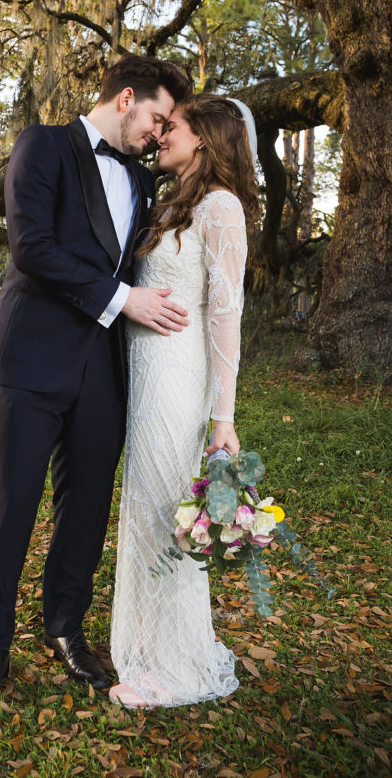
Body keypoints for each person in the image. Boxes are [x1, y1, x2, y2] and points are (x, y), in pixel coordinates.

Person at [0, 54, 193, 714]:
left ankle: (64, 626)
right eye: (155, 118)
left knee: (85, 511)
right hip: (29, 360)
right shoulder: (42, 145)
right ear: (125, 100)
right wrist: (121, 300)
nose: (156, 133)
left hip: (103, 371)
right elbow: (31, 247)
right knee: (9, 510)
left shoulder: (144, 182)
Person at [109, 96, 260, 710]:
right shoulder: (172, 201)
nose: (161, 134)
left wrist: (223, 415)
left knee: (164, 514)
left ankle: (174, 664)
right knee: (143, 508)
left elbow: (226, 313)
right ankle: (144, 643)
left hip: (178, 377)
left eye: (174, 127)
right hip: (141, 374)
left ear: (207, 138)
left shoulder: (222, 207)